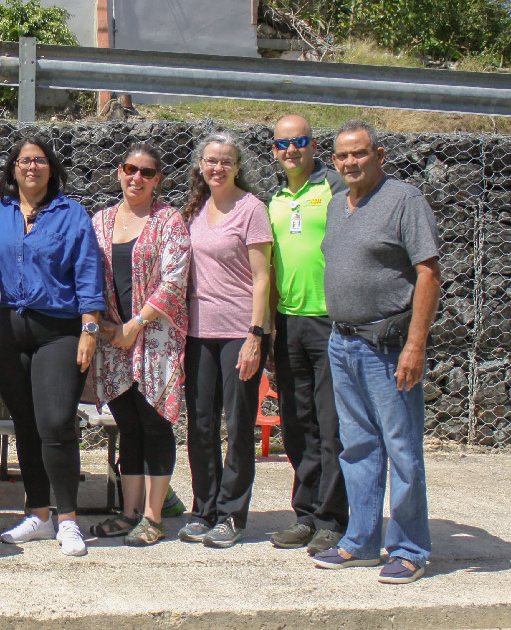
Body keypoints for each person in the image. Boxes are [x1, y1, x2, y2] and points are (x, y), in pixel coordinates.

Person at [311, 121, 440, 585]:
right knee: (358, 446)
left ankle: (409, 549)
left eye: (359, 154)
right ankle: (362, 541)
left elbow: (428, 273)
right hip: (342, 343)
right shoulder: (337, 204)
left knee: (401, 448)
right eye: (342, 156)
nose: (350, 162)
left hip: (387, 348)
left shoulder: (404, 200)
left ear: (379, 154)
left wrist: (415, 345)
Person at [0, 137, 103, 557]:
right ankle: (39, 515)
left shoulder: (72, 214)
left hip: (59, 331)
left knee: (56, 422)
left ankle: (68, 519)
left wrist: (89, 328)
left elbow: (87, 271)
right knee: (26, 425)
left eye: (40, 161)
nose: (32, 167)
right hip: (9, 332)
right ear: (13, 168)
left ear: (51, 168)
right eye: (24, 161)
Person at [89, 143, 190, 547]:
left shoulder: (169, 220)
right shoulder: (101, 220)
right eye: (131, 169)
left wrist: (136, 323)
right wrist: (103, 323)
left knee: (154, 424)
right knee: (127, 425)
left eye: (147, 172)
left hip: (155, 337)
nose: (137, 177)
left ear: (158, 180)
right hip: (113, 339)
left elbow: (174, 278)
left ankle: (153, 514)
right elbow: (88, 272)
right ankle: (128, 512)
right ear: (119, 172)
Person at [178, 131, 272, 549]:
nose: (217, 168)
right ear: (201, 165)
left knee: (236, 424)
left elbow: (262, 277)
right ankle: (203, 508)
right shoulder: (193, 210)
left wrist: (256, 334)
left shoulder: (251, 209)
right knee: (199, 424)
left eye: (226, 161)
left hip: (239, 332)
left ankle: (231, 514)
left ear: (238, 167)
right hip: (198, 333)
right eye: (211, 160)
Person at [266, 115, 351, 555]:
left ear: (313, 145)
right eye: (283, 144)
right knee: (297, 424)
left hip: (331, 322)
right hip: (288, 322)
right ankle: (306, 515)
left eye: (299, 141)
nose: (291, 150)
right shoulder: (276, 198)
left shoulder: (335, 189)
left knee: (330, 424)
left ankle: (333, 519)